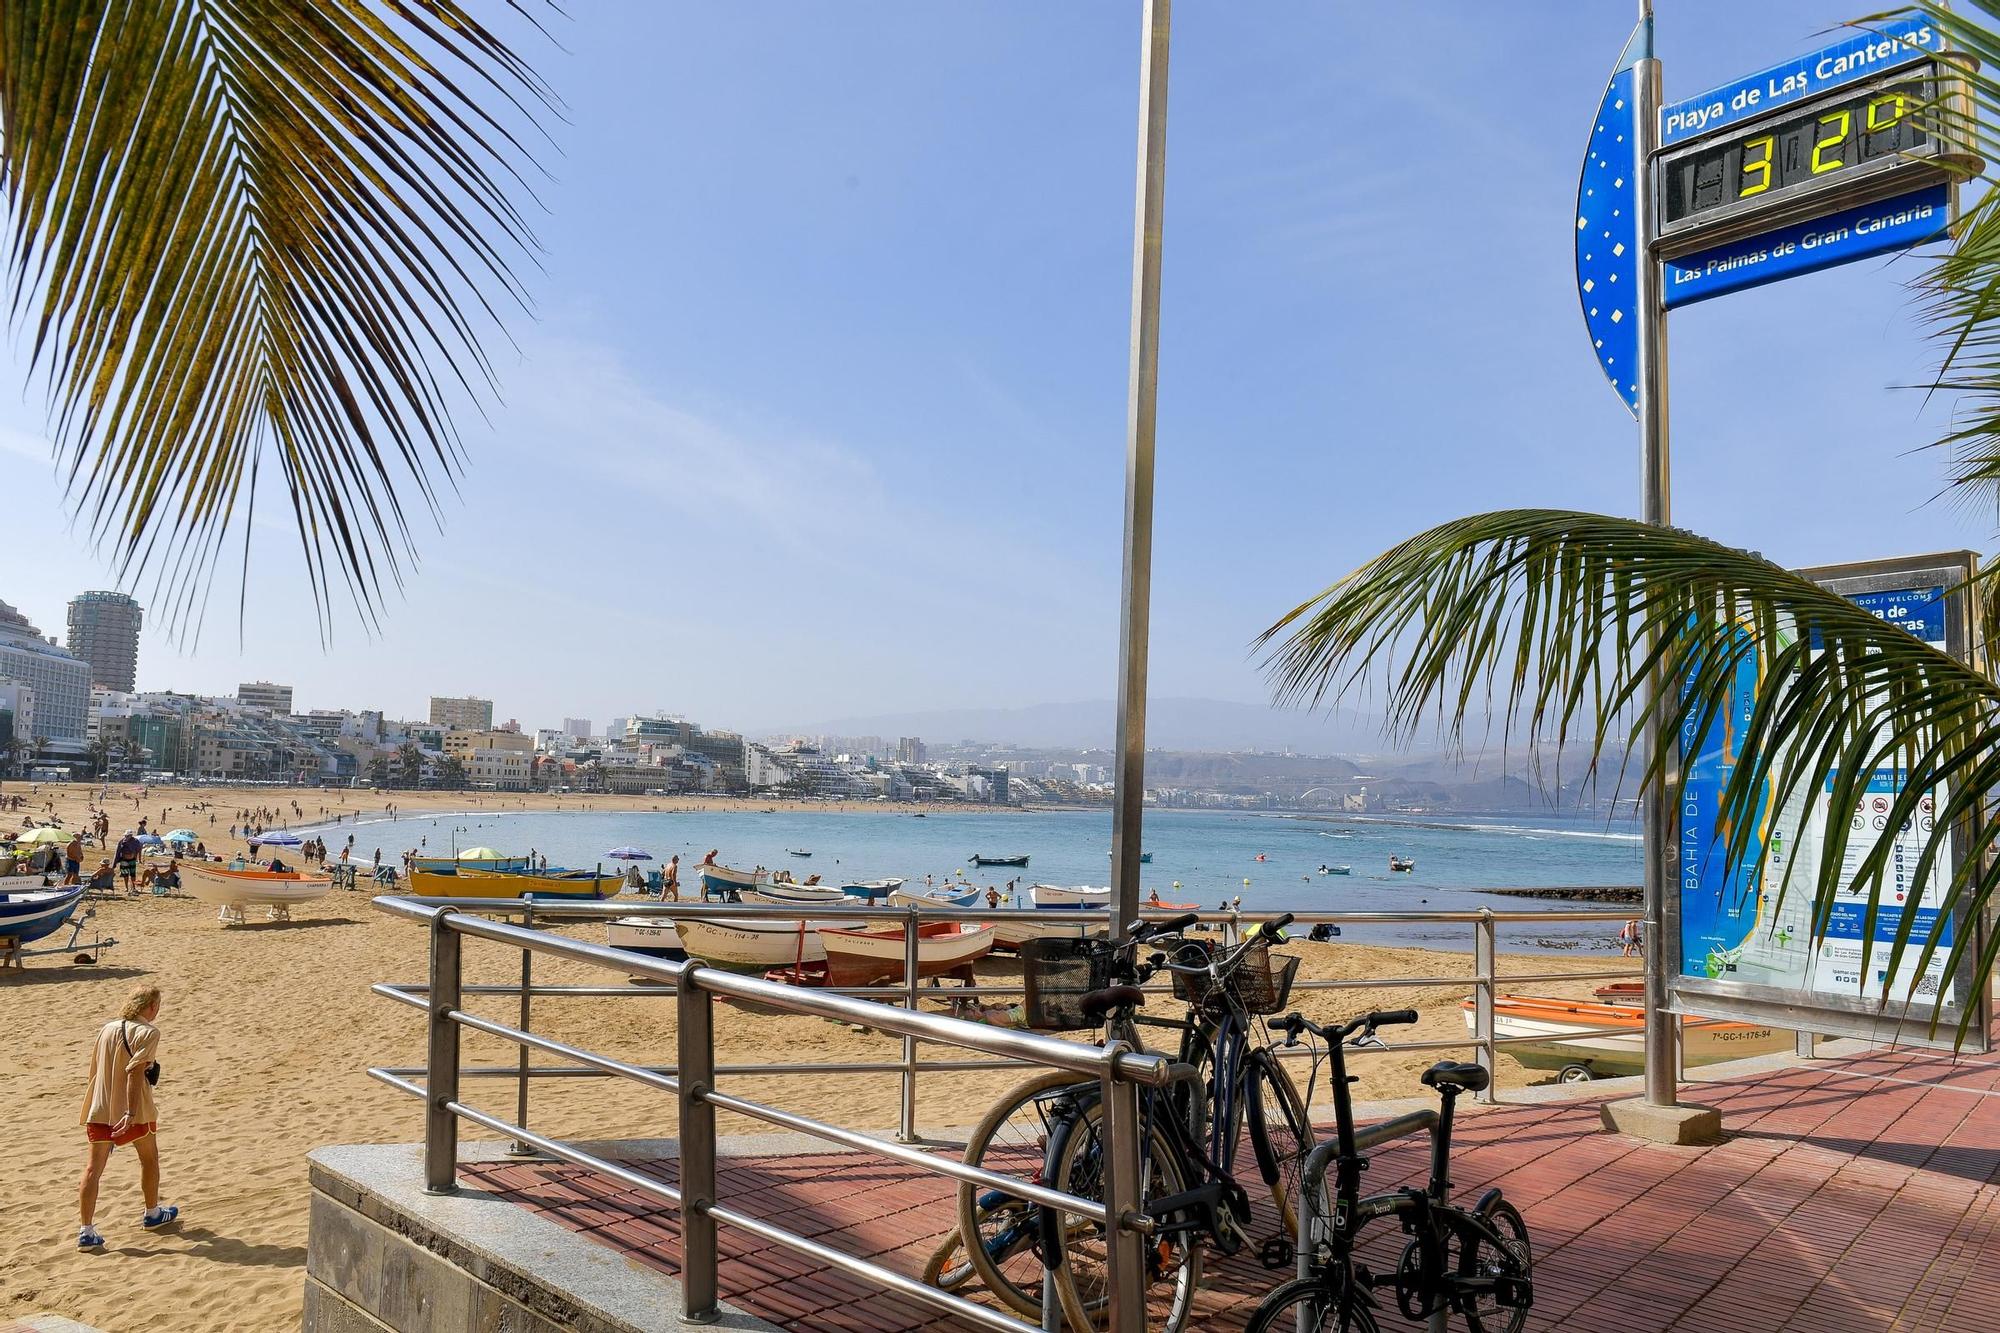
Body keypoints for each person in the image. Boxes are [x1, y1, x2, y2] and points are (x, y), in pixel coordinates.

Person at [77, 985, 178, 1250]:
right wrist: (130, 1113)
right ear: (151, 1007)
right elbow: (135, 1072)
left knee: (93, 1169)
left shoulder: (107, 1028)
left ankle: (86, 1231)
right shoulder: (149, 1032)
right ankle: (152, 1213)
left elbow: (96, 1069)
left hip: (99, 1107)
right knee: (149, 1158)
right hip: (133, 1111)